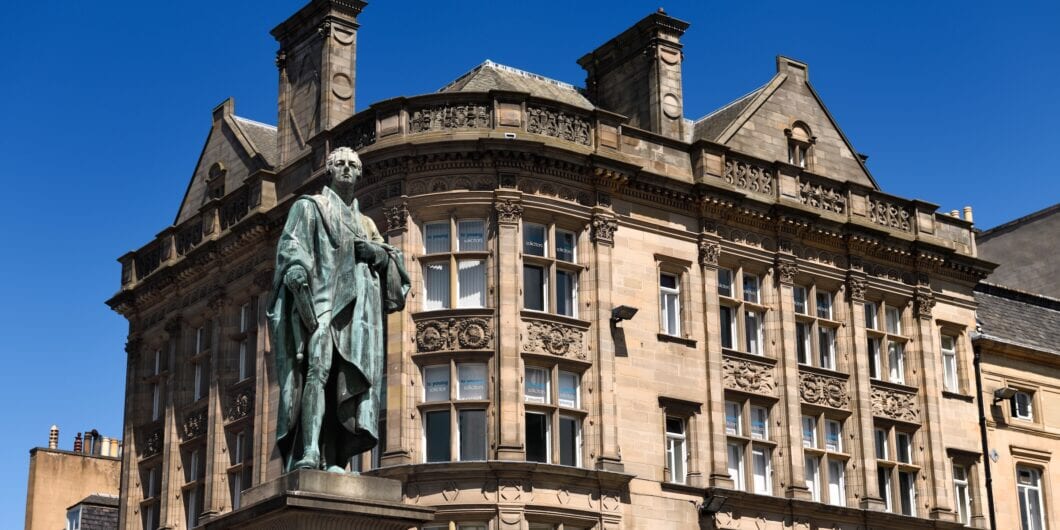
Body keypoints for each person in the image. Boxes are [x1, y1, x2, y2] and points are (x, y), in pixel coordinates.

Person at [268, 146, 409, 472]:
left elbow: (394, 268)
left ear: (359, 174)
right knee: (317, 369)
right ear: (330, 171)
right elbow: (291, 245)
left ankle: (339, 459)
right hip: (321, 302)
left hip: (358, 314)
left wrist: (374, 253)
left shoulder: (366, 224)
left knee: (348, 381)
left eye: (352, 165)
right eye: (340, 164)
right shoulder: (310, 208)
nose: (346, 169)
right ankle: (309, 451)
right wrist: (295, 268)